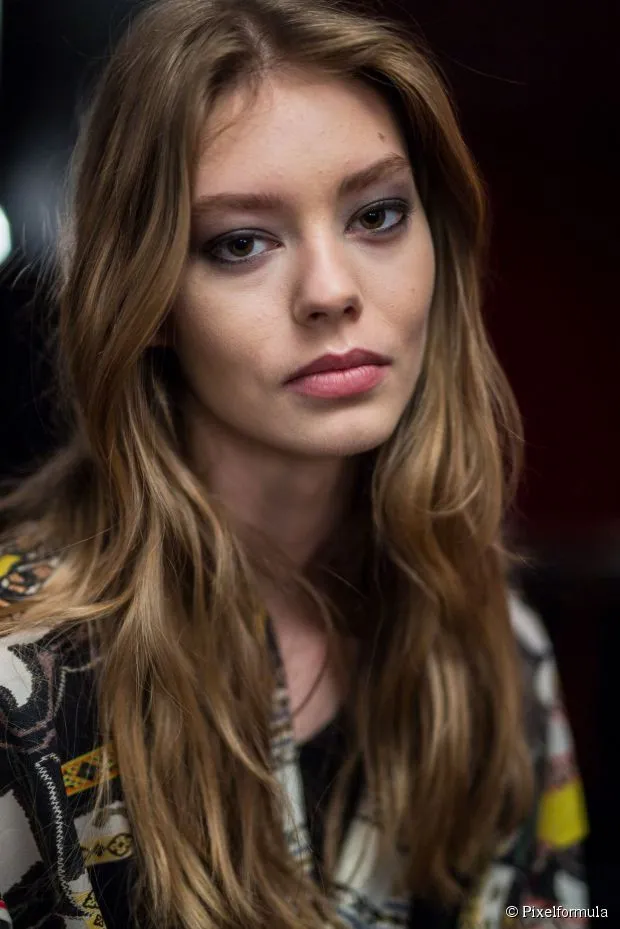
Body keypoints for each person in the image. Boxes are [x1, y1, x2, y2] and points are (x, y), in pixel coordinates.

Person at [0, 0, 590, 926]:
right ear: (146, 296)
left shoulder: (498, 644)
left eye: (378, 214)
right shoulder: (17, 682)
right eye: (241, 242)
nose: (330, 291)